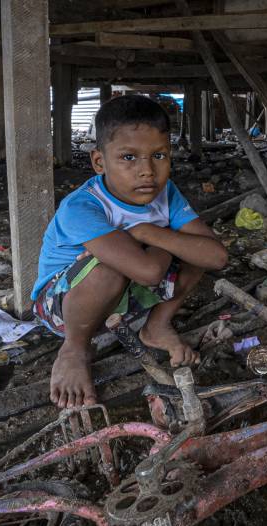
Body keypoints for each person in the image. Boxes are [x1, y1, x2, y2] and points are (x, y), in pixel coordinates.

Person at [32, 94, 228, 409]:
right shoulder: (83, 206)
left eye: (159, 156)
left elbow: (217, 256)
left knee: (196, 252)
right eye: (128, 157)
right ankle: (74, 351)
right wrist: (162, 238)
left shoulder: (167, 193)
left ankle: (156, 327)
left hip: (128, 294)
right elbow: (149, 272)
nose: (147, 171)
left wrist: (144, 233)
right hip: (65, 308)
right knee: (111, 268)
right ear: (99, 161)